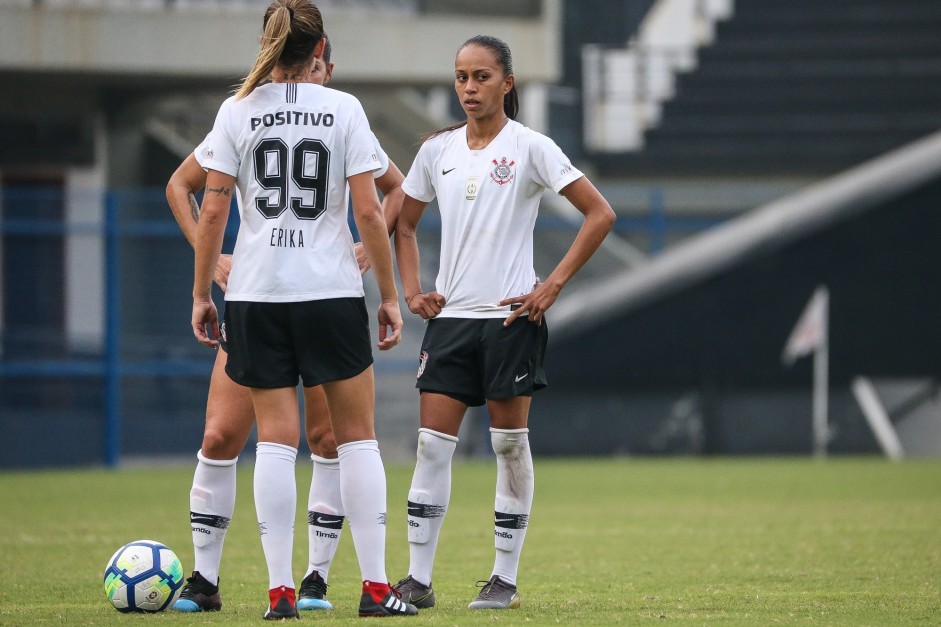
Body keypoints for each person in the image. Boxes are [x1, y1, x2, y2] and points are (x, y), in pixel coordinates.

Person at [190, 0, 416, 618]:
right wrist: (390, 295)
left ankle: (280, 593)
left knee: (275, 444)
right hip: (330, 294)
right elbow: (371, 211)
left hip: (259, 296)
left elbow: (212, 211)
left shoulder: (236, 112)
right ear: (320, 53)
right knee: (356, 440)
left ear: (267, 46)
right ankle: (374, 590)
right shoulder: (343, 109)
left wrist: (202, 292)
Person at [392, 34, 616, 610]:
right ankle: (417, 580)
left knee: (509, 446)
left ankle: (504, 581)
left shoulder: (531, 147)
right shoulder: (437, 151)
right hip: (451, 324)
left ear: (507, 83)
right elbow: (405, 223)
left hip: (510, 322)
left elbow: (600, 213)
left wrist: (553, 284)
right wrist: (412, 290)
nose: (469, 88)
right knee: (431, 447)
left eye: (482, 77)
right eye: (462, 77)